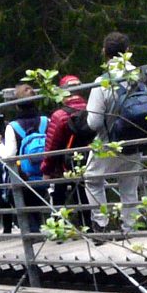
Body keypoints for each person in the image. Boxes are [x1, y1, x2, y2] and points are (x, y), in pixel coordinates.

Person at [84, 32, 147, 233]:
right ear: (128, 51)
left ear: (104, 52)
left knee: (92, 179)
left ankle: (101, 224)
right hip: (137, 139)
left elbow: (94, 122)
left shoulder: (102, 82)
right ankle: (130, 227)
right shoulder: (143, 76)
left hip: (110, 142)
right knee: (129, 186)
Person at [0, 83, 49, 233]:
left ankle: (33, 232)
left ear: (17, 105)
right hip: (48, 174)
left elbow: (8, 156)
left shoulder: (13, 127)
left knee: (17, 194)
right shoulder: (46, 121)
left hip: (26, 178)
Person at [42, 75, 90, 223]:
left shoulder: (60, 115)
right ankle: (89, 226)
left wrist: (46, 169)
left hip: (63, 165)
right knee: (84, 194)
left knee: (59, 195)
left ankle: (59, 227)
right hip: (89, 160)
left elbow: (52, 146)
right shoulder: (93, 109)